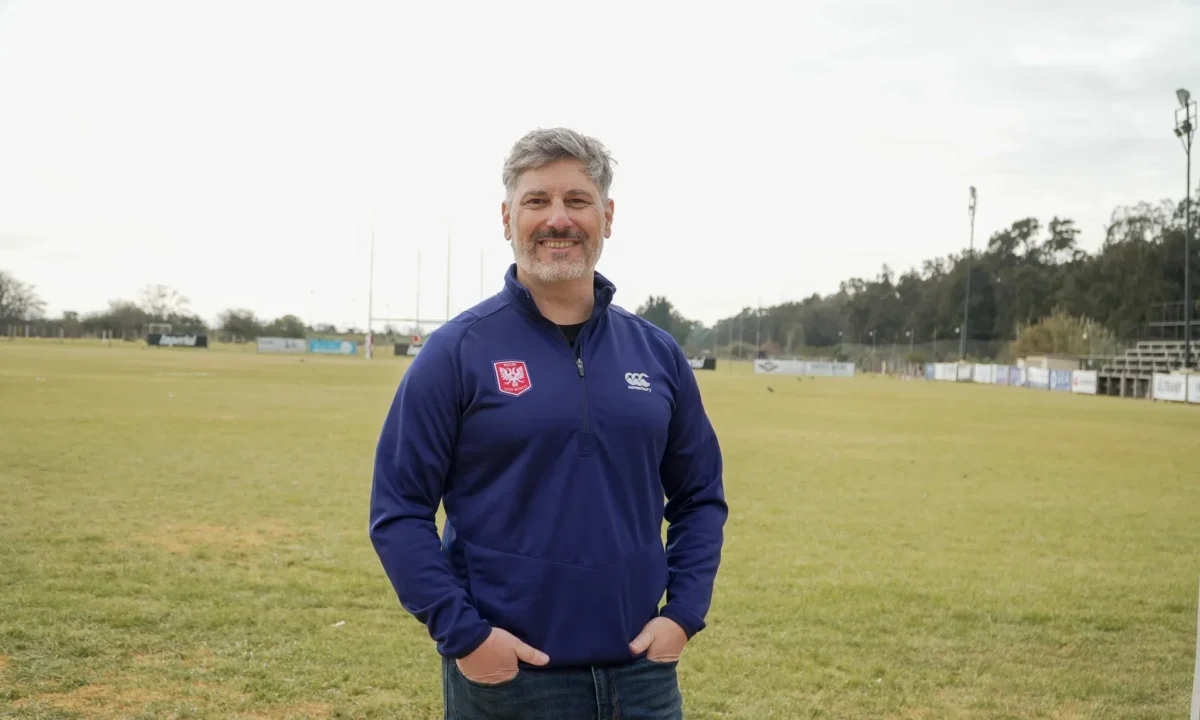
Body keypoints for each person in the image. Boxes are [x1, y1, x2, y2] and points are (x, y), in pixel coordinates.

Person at [368, 127, 728, 720]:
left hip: (643, 679)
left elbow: (700, 498)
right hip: (510, 681)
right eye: (536, 201)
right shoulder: (457, 351)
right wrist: (466, 636)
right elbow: (398, 509)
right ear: (507, 217)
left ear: (607, 217)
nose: (557, 218)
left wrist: (683, 615)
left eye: (576, 200)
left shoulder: (657, 354)